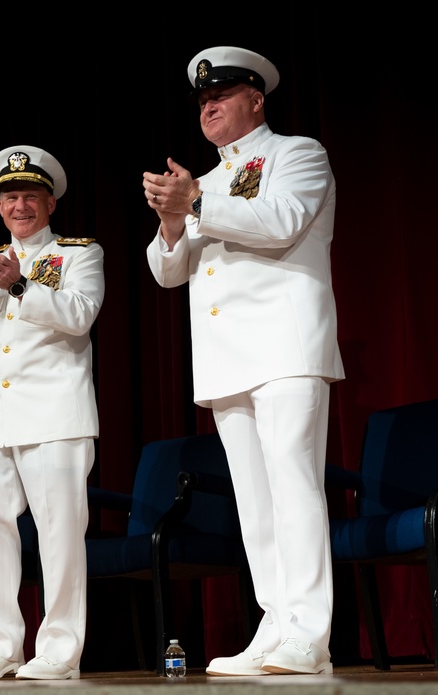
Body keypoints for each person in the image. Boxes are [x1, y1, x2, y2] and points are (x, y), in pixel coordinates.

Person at [142, 46, 344, 676]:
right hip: (228, 360)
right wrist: (173, 222)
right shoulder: (206, 181)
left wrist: (196, 202)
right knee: (254, 502)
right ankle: (275, 622)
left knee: (293, 484)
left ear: (257, 99)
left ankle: (309, 633)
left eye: (221, 96)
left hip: (286, 347)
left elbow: (282, 222)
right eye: (202, 101)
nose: (209, 107)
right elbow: (168, 272)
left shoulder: (297, 154)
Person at [0, 146, 104, 680]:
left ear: (50, 202)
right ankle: (0, 645)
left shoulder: (79, 253)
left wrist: (17, 282)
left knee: (59, 533)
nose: (20, 205)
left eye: (30, 196)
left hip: (57, 414)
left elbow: (79, 316)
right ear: (0, 206)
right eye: (10, 196)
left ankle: (58, 647)